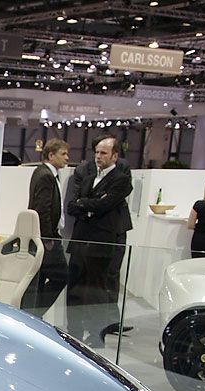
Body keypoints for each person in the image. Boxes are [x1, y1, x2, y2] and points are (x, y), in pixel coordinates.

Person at [66, 135, 133, 346]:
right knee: (74, 289)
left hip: (101, 242)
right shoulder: (87, 178)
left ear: (114, 156)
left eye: (103, 153)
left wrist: (85, 204)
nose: (98, 156)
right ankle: (73, 332)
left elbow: (106, 205)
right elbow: (72, 206)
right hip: (80, 241)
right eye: (97, 152)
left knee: (96, 291)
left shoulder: (120, 179)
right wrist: (91, 205)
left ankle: (96, 335)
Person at [22, 139, 69, 316]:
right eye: (63, 154)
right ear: (51, 155)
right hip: (47, 237)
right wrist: (48, 238)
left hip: (43, 236)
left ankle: (33, 313)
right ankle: (35, 313)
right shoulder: (45, 175)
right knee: (61, 276)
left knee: (39, 278)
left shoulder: (42, 173)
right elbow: (42, 208)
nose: (67, 158)